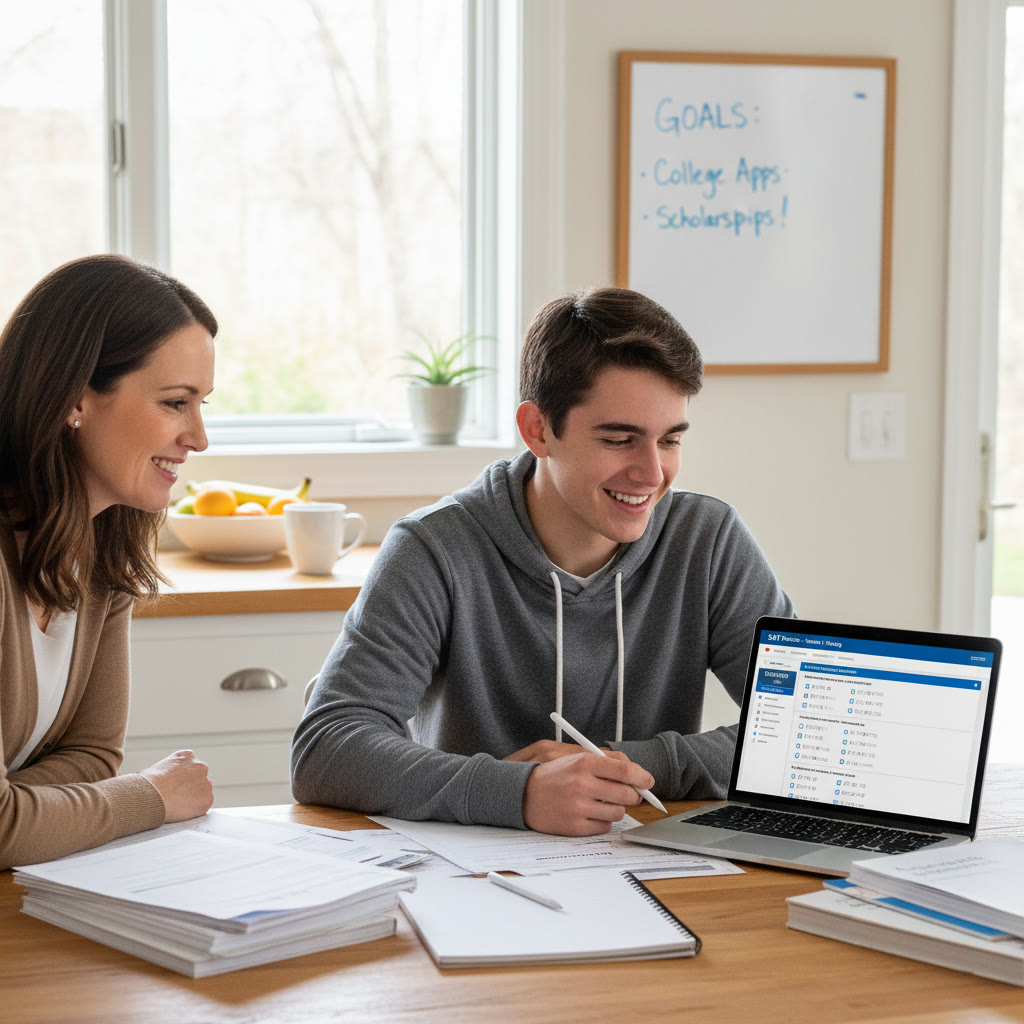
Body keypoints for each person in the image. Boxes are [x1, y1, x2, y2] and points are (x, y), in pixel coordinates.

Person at [292, 287, 794, 836]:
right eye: (620, 440)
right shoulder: (435, 548)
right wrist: (522, 793)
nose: (652, 474)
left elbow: (805, 726)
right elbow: (328, 746)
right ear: (537, 430)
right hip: (478, 880)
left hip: (653, 866)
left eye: (669, 440)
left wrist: (617, 768)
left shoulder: (708, 540)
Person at [0, 254, 217, 868]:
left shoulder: (102, 553)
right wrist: (148, 796)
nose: (199, 437)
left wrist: (21, 810)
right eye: (176, 402)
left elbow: (94, 756)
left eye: (201, 404)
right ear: (75, 399)